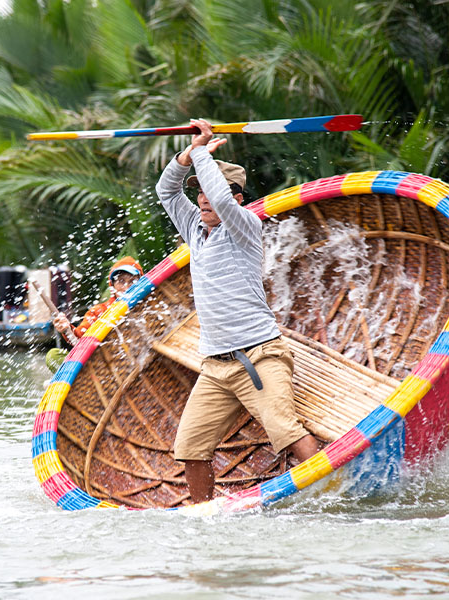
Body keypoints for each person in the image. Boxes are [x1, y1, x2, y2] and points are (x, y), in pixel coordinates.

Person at [155, 118, 319, 503]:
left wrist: (202, 153)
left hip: (260, 355)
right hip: (216, 364)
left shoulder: (244, 225)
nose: (205, 200)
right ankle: (204, 515)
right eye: (200, 194)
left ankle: (332, 494)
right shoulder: (195, 228)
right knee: (190, 446)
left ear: (239, 198)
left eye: (215, 193)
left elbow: (222, 200)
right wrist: (188, 154)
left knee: (285, 429)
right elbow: (166, 191)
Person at [45, 257, 143, 371]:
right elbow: (79, 338)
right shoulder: (99, 311)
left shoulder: (150, 306)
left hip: (139, 363)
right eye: (121, 281)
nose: (126, 287)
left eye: (133, 281)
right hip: (105, 368)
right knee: (53, 355)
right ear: (112, 286)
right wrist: (66, 327)